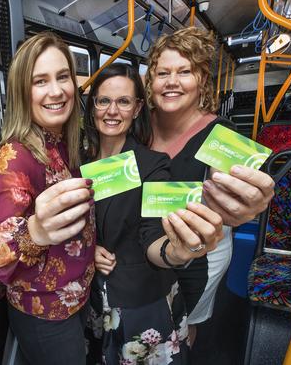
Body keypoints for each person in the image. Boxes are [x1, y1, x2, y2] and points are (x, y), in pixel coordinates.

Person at [144, 27, 275, 363]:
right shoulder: (138, 124)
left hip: (199, 256)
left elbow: (233, 199)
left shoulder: (222, 133)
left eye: (184, 72)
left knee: (182, 325)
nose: (172, 81)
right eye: (163, 73)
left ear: (201, 80)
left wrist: (245, 207)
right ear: (151, 81)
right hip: (143, 248)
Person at [83, 63, 223, 365]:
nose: (112, 110)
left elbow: (153, 238)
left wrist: (177, 251)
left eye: (123, 102)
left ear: (137, 109)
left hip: (141, 302)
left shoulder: (153, 166)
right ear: (93, 105)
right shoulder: (77, 161)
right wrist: (87, 249)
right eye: (104, 100)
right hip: (94, 299)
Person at [0, 32, 96, 365]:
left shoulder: (63, 142)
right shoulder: (15, 156)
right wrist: (35, 231)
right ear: (22, 92)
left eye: (63, 77)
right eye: (40, 81)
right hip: (46, 314)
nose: (56, 90)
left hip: (77, 296)